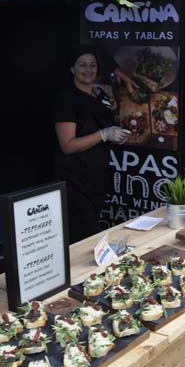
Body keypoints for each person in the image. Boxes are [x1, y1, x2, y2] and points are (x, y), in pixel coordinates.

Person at [54, 46, 131, 243]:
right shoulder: (67, 99)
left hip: (96, 178)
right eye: (82, 65)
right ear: (72, 69)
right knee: (84, 235)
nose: (88, 70)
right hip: (75, 181)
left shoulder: (99, 95)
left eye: (92, 65)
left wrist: (116, 136)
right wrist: (104, 134)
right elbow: (67, 146)